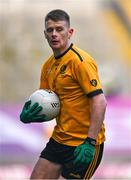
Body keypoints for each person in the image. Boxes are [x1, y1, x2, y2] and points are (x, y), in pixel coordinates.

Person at [20, 9, 107, 179]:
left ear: (70, 32)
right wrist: (31, 116)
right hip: (59, 139)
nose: (54, 34)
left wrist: (89, 142)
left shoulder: (80, 62)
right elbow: (51, 106)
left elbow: (100, 101)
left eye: (59, 29)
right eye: (50, 30)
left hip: (84, 144)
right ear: (45, 34)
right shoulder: (47, 66)